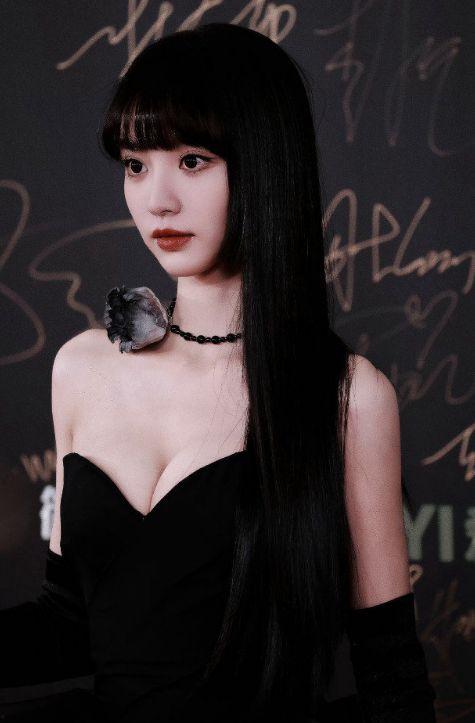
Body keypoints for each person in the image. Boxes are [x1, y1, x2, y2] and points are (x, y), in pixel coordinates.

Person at [0, 22, 436, 723]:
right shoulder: (82, 366)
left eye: (192, 160)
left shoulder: (348, 396)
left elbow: (392, 679)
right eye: (136, 164)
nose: (157, 199)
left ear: (264, 164)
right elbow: (71, 622)